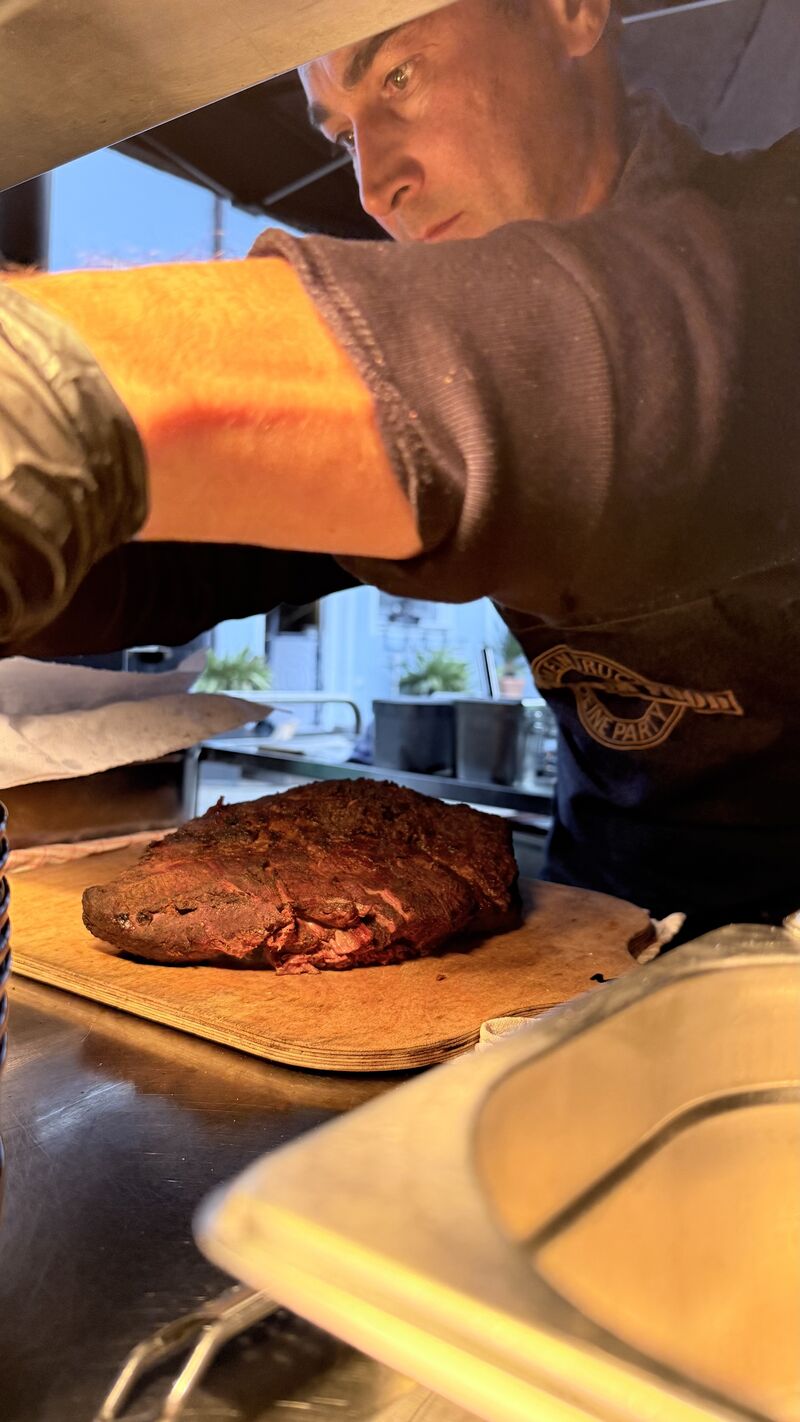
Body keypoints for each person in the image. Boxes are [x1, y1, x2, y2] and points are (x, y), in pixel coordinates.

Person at [2, 0, 800, 938]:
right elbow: (180, 547)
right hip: (604, 930)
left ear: (572, 10)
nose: (375, 185)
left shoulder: (768, 236)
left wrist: (48, 380)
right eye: (345, 135)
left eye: (400, 76)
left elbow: (595, 351)